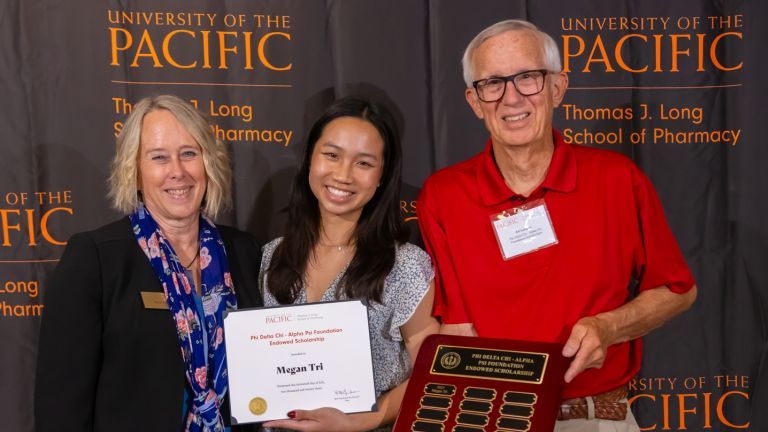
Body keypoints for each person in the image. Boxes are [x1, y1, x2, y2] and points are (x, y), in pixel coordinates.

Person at [417, 19, 697, 431]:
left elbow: (678, 291)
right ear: (475, 102)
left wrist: (609, 326)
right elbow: (456, 330)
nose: (511, 98)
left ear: (557, 88)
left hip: (595, 417)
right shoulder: (442, 196)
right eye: (492, 83)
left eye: (528, 77)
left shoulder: (618, 179)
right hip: (490, 416)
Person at [34, 95, 262, 432]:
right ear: (135, 172)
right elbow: (61, 406)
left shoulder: (245, 251)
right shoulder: (95, 258)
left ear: (208, 163)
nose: (178, 171)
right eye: (159, 157)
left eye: (189, 153)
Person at [259, 96, 440, 432]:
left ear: (382, 176)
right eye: (332, 155)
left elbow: (432, 373)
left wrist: (364, 421)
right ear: (310, 159)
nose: (343, 175)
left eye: (364, 163)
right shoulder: (273, 256)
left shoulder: (406, 266)